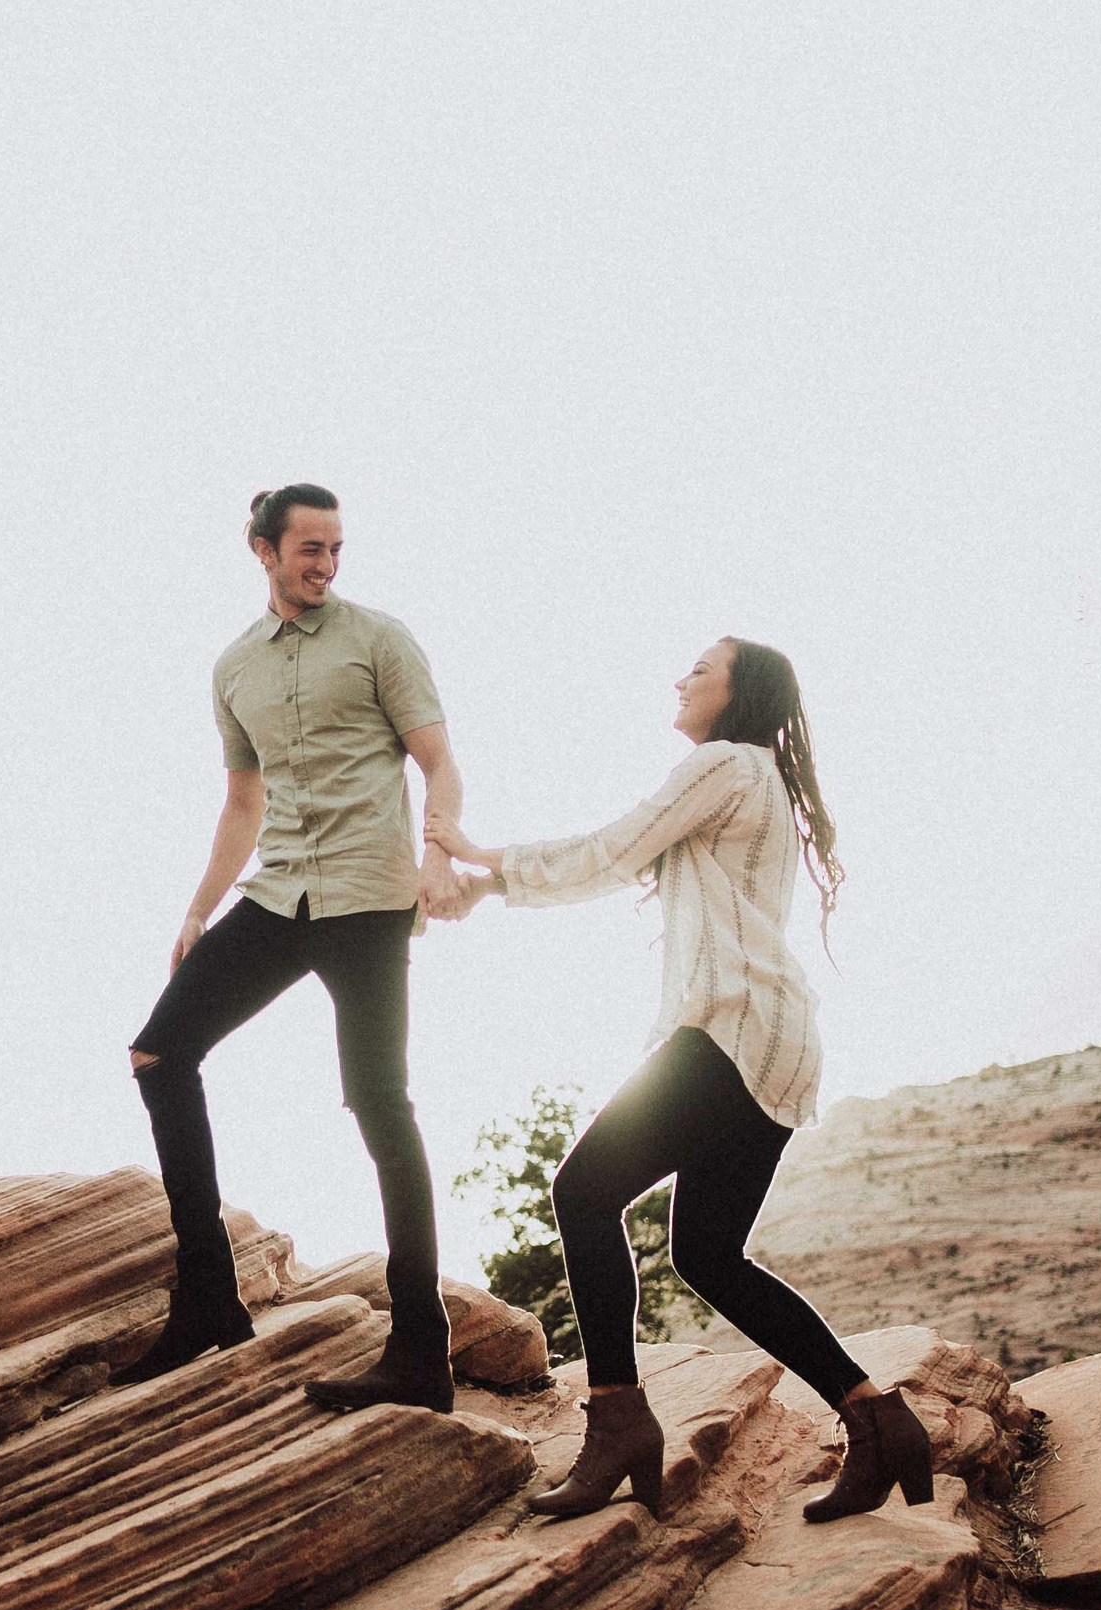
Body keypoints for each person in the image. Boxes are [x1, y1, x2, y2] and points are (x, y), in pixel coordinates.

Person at [432, 638, 933, 1522]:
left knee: (583, 1193)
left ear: (738, 694)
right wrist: (491, 891)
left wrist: (481, 855)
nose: (680, 677)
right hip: (773, 1037)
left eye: (701, 668)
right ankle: (875, 1417)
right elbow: (631, 860)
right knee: (707, 1253)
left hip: (730, 1028)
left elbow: (613, 848)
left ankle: (620, 1422)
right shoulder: (758, 778)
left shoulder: (725, 763)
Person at [122, 484, 470, 1413]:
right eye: (309, 549)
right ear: (264, 551)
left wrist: (436, 852)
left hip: (368, 897)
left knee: (377, 1102)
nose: (325, 565)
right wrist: (199, 908)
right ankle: (207, 1299)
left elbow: (438, 760)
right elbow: (244, 803)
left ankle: (420, 1348)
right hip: (278, 897)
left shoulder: (380, 640)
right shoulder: (234, 668)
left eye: (336, 549)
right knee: (160, 1053)